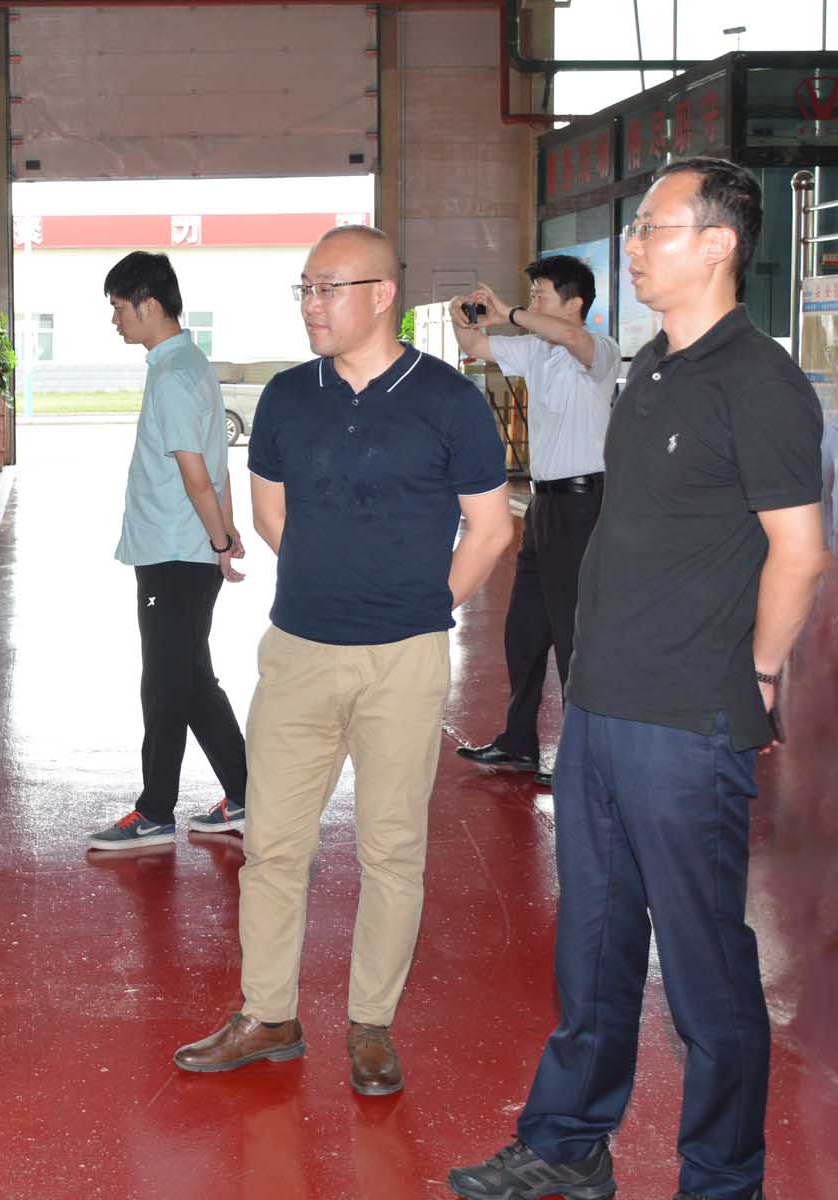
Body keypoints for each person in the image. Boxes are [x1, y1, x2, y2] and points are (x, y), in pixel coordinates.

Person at [450, 158, 829, 1200]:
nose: (634, 245)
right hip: (604, 706)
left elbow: (799, 552)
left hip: (686, 717)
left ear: (718, 243)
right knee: (594, 945)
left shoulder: (761, 381)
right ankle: (570, 1143)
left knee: (706, 973)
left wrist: (758, 675)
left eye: (653, 226)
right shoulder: (655, 365)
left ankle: (721, 1178)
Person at [172, 225, 513, 1094]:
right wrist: (330, 587)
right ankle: (269, 1015)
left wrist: (422, 609)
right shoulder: (289, 397)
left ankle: (371, 1025)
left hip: (404, 662)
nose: (312, 305)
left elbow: (490, 529)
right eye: (305, 289)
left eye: (329, 288)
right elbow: (271, 516)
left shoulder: (449, 400)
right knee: (272, 844)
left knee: (391, 849)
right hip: (298, 653)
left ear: (382, 294)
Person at [86, 251, 250, 851]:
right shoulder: (188, 364)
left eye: (119, 308)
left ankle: (155, 812)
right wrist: (224, 534)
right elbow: (215, 466)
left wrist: (219, 539)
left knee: (164, 683)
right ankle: (247, 796)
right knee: (191, 679)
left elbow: (197, 474)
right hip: (183, 549)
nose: (115, 320)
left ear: (149, 304)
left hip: (176, 554)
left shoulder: (174, 376)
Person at [451, 257, 618, 788]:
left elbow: (570, 337)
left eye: (542, 294)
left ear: (574, 303)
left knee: (572, 631)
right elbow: (474, 345)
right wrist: (462, 316)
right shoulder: (536, 350)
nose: (533, 302)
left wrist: (510, 313)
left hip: (583, 505)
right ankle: (519, 741)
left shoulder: (598, 350)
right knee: (524, 629)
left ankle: (582, 756)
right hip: (544, 506)